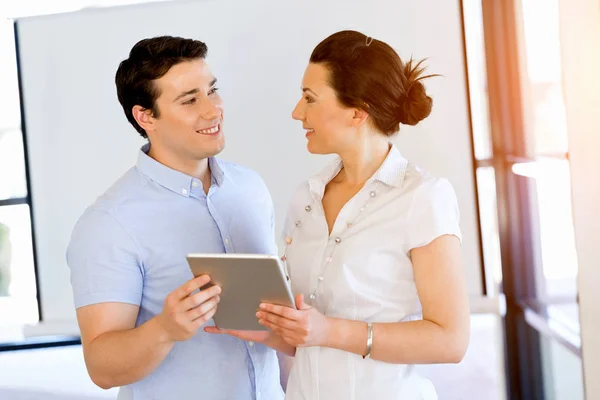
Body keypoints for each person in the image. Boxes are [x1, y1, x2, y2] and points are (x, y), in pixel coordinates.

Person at [207, 30, 470, 399]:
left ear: (358, 112)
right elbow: (307, 340)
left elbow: (450, 340)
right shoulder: (306, 198)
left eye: (310, 98)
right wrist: (262, 328)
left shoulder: (423, 197)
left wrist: (327, 331)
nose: (297, 112)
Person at [66, 36, 285, 400]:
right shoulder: (107, 224)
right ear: (145, 116)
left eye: (212, 91)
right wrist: (165, 329)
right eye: (190, 100)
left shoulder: (251, 188)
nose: (213, 110)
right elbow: (101, 368)